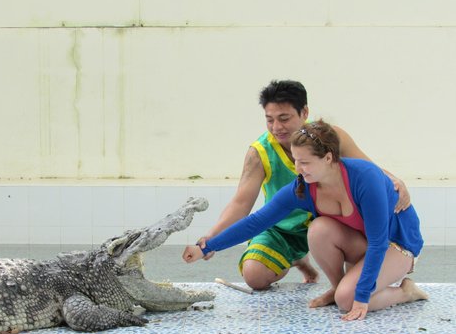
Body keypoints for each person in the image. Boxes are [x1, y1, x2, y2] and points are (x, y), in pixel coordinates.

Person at [183, 120, 428, 321]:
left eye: (306, 162)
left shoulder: (366, 178)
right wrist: (206, 246)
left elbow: (378, 242)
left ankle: (405, 292)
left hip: (396, 244)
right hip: (364, 244)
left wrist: (362, 297)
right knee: (318, 229)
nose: (299, 169)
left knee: (347, 301)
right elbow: (257, 222)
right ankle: (339, 287)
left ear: (329, 158)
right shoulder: (303, 187)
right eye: (296, 161)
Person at [197, 80, 411, 290]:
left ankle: (341, 286)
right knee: (254, 276)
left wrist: (395, 181)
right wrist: (212, 238)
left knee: (346, 268)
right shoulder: (259, 153)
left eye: (284, 118)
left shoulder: (329, 138)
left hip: (331, 224)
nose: (276, 127)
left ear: (304, 113)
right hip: (283, 227)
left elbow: (368, 168)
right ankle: (299, 259)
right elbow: (241, 203)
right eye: (269, 120)